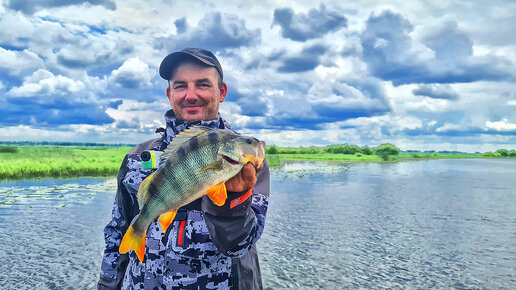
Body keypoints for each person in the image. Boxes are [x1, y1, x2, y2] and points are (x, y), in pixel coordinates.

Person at [97, 48, 270, 290]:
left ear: (221, 92)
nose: (191, 95)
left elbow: (241, 245)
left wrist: (233, 201)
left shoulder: (248, 167)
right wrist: (106, 284)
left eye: (202, 84)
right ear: (169, 94)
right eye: (180, 86)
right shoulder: (136, 158)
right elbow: (117, 232)